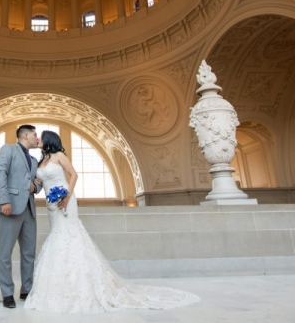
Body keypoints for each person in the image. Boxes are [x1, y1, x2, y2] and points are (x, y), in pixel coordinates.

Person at [24, 130, 201, 314]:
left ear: (49, 140)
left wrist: (67, 196)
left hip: (66, 201)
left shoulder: (59, 155)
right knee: (57, 235)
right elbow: (39, 182)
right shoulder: (40, 161)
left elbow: (74, 175)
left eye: (41, 138)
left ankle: (82, 287)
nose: (38, 140)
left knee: (70, 235)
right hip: (51, 205)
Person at [0, 124, 42, 309]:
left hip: (29, 209)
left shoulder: (34, 160)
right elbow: (0, 174)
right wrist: (4, 200)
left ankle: (26, 290)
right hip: (10, 207)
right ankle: (7, 293)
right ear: (25, 135)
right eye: (35, 135)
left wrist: (35, 187)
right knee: (5, 252)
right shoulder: (8, 149)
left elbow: (38, 182)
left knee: (29, 253)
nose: (37, 138)